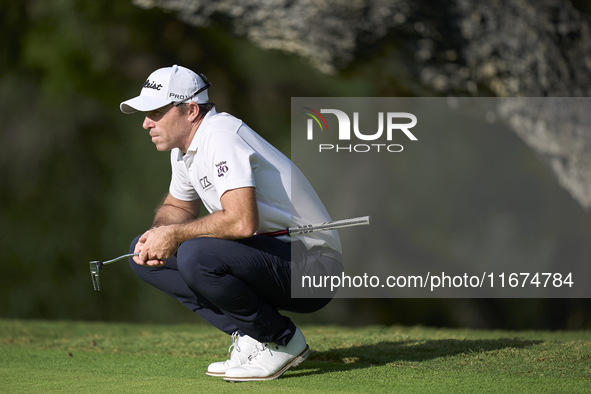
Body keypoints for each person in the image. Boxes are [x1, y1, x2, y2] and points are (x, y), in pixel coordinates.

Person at [119, 65, 343, 382]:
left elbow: (241, 223)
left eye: (155, 112)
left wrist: (175, 236)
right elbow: (177, 206)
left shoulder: (221, 136)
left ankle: (280, 340)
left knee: (196, 255)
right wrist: (158, 235)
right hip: (272, 258)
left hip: (315, 268)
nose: (146, 123)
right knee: (143, 254)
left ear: (190, 110)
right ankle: (253, 336)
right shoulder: (185, 151)